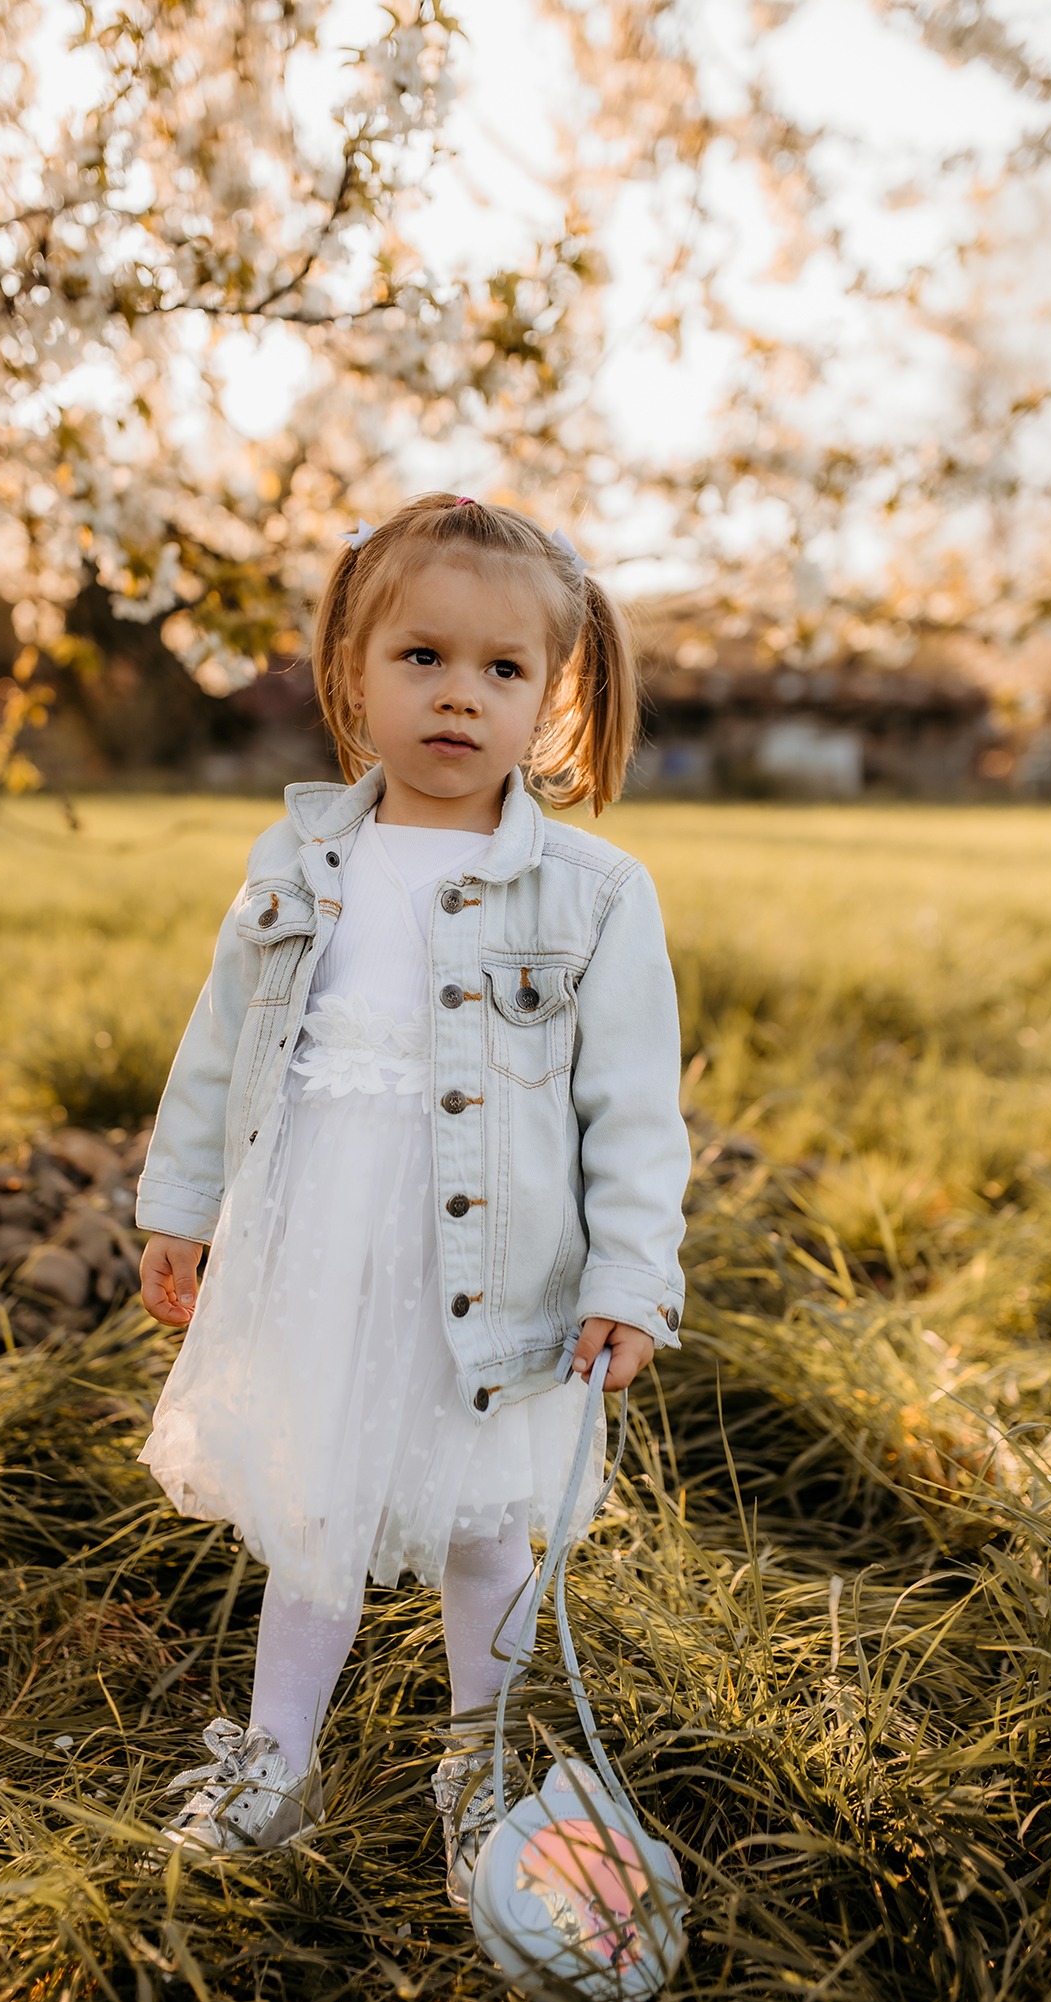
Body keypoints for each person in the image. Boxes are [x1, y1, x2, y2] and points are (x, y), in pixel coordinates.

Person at [135, 493, 691, 1908]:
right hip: (319, 1242)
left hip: (493, 1273)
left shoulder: (593, 894)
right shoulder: (298, 862)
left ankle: (481, 1772)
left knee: (480, 1526)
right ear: (353, 674)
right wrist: (181, 1205)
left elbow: (632, 1108)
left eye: (504, 671)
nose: (460, 696)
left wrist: (633, 1276)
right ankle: (275, 1758)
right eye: (422, 659)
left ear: (554, 696)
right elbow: (219, 1048)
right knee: (316, 1505)